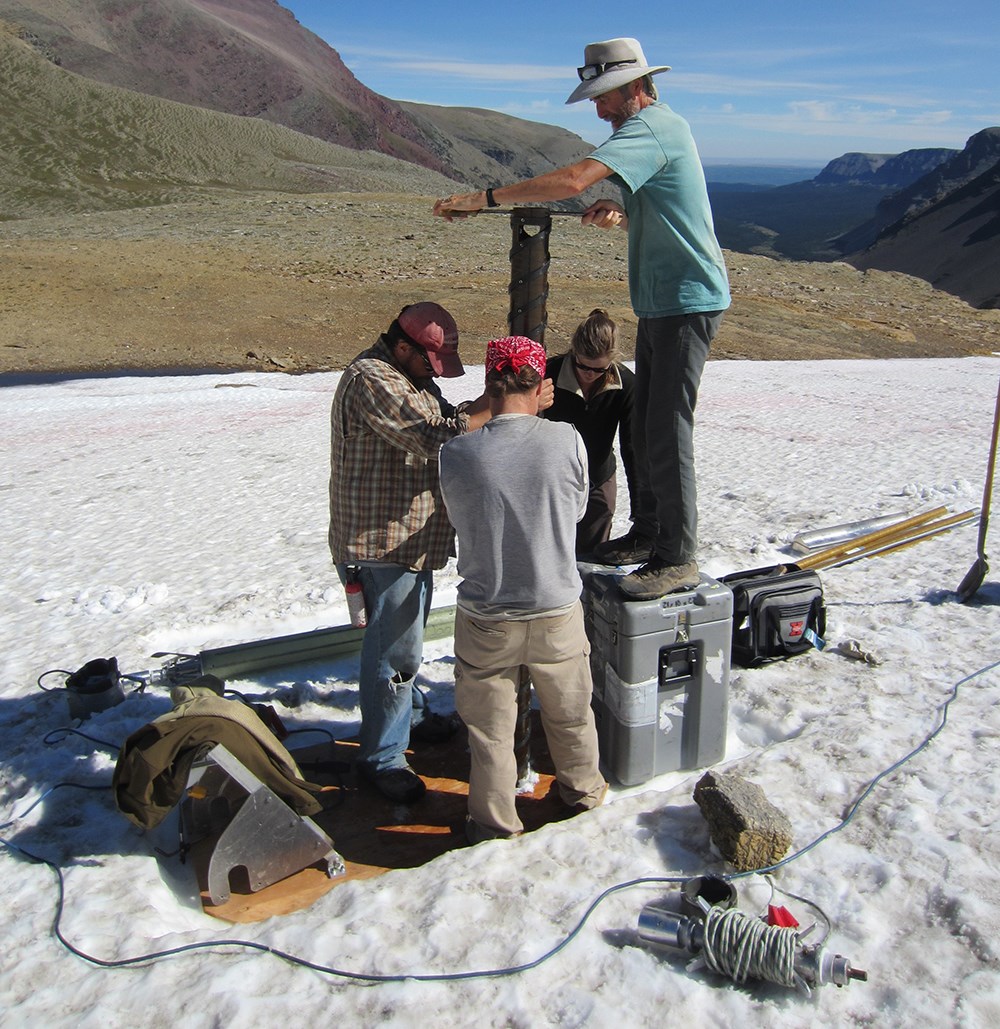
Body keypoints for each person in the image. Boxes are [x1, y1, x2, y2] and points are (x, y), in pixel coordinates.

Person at [433, 37, 731, 601]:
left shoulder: (653, 127)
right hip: (667, 302)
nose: (598, 109)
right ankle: (649, 537)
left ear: (637, 87)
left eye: (605, 97)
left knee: (667, 428)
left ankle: (677, 556)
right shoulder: (654, 132)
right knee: (646, 426)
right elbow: (662, 199)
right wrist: (622, 211)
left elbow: (572, 181)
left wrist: (485, 198)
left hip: (688, 300)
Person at [439, 335, 608, 843]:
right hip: (555, 605)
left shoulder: (457, 453)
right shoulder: (567, 440)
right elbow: (577, 510)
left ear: (489, 385)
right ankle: (582, 796)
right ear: (541, 384)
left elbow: (457, 516)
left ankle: (493, 825)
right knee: (572, 715)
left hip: (486, 614)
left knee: (490, 732)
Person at [328, 302, 492, 804]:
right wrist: (503, 403)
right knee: (394, 652)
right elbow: (431, 436)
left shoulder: (410, 377)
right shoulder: (372, 378)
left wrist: (486, 404)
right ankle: (382, 758)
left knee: (403, 643)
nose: (435, 374)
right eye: (431, 362)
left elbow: (443, 417)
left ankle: (411, 716)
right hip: (382, 541)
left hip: (406, 538)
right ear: (404, 347)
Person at [541, 307, 650, 557]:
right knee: (551, 551)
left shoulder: (626, 384)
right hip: (553, 477)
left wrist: (641, 509)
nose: (590, 375)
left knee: (592, 553)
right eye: (582, 366)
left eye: (599, 370)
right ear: (573, 352)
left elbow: (633, 447)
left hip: (598, 475)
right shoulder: (549, 374)